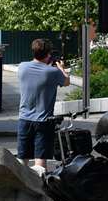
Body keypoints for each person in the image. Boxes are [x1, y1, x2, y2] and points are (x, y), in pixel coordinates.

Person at [17, 39, 70, 171]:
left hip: (24, 119)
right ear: (48, 55)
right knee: (40, 165)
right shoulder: (52, 72)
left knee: (21, 160)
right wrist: (60, 67)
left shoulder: (22, 67)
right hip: (43, 122)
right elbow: (67, 81)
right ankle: (38, 188)